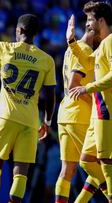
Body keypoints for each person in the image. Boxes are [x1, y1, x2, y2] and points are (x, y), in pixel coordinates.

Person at [0, 14, 56, 202]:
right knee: (21, 172)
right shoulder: (47, 60)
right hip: (30, 121)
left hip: (5, 116)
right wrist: (46, 121)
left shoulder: (3, 48)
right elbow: (50, 96)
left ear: (19, 30)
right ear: (35, 34)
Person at [68, 1, 112, 202]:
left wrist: (87, 88)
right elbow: (88, 61)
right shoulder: (103, 44)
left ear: (101, 20)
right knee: (86, 161)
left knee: (105, 159)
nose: (87, 24)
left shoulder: (111, 42)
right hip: (98, 111)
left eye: (90, 19)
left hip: (107, 109)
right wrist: (72, 43)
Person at [55, 27, 105, 202]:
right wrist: (97, 104)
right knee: (100, 163)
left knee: (68, 170)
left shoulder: (72, 48)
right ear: (95, 31)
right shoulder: (84, 49)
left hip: (65, 114)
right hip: (79, 116)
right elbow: (74, 85)